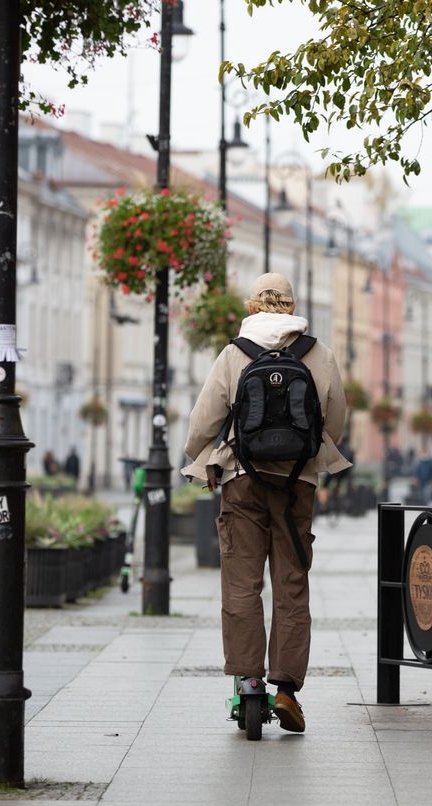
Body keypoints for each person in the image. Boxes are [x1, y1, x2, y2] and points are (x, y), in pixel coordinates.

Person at [183, 272, 349, 734]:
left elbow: (202, 422)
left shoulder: (234, 355)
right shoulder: (320, 355)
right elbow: (334, 421)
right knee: (291, 584)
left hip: (242, 481)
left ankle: (249, 680)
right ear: (293, 307)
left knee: (241, 583)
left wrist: (201, 459)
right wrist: (304, 458)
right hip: (297, 484)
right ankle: (286, 689)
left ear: (253, 307)